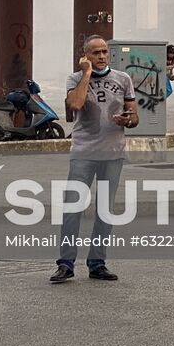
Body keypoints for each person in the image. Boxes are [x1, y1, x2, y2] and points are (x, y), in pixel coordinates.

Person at [50, 34, 138, 284]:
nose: (101, 57)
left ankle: (97, 263)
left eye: (104, 52)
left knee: (105, 210)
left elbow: (135, 117)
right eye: (95, 53)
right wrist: (86, 74)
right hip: (83, 153)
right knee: (72, 208)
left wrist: (128, 119)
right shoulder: (75, 79)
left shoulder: (123, 79)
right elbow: (75, 104)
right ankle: (66, 263)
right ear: (85, 56)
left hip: (112, 154)